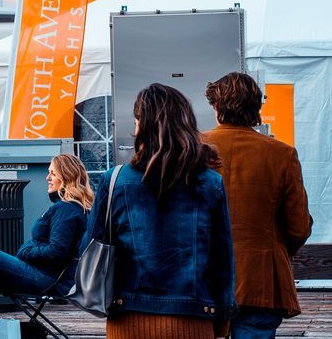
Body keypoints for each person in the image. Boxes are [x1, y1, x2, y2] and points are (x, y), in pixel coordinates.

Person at [89, 83, 235, 339]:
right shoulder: (211, 183)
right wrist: (222, 317)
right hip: (193, 319)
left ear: (141, 126)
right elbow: (221, 262)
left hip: (127, 319)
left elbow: (92, 246)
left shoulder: (115, 181)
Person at [203, 72, 312, 337]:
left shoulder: (192, 148)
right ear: (256, 109)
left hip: (201, 278)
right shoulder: (282, 154)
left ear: (217, 107)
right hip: (261, 280)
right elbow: (299, 226)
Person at [0, 153, 92, 317]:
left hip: (47, 278)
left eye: (53, 173)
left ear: (67, 177)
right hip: (50, 275)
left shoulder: (66, 209)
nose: (47, 177)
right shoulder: (73, 208)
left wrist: (26, 251)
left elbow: (56, 251)